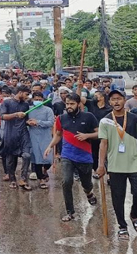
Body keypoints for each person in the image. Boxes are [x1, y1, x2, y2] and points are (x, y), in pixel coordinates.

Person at [97, 89, 137, 240]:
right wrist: (101, 165)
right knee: (118, 197)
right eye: (113, 99)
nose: (116, 102)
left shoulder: (135, 118)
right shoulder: (105, 121)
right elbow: (103, 144)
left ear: (124, 100)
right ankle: (122, 226)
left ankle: (134, 215)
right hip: (115, 165)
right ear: (109, 102)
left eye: (119, 99)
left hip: (135, 164)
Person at [43, 93, 99, 221]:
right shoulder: (61, 118)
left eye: (72, 104)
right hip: (67, 155)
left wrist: (87, 136)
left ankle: (89, 193)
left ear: (79, 104)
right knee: (67, 181)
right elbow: (58, 134)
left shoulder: (89, 117)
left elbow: (99, 132)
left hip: (85, 155)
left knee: (86, 183)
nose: (69, 106)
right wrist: (50, 147)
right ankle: (70, 212)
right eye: (67, 104)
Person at [0, 86, 33, 190]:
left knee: (27, 155)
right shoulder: (7, 103)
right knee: (10, 159)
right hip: (10, 133)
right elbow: (2, 116)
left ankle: (23, 179)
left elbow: (26, 119)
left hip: (23, 133)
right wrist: (15, 114)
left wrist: (31, 122)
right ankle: (12, 180)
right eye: (26, 94)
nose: (27, 97)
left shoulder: (26, 105)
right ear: (20, 92)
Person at [26, 91, 54, 189]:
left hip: (45, 137)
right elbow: (24, 120)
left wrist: (38, 122)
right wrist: (28, 122)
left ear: (43, 100)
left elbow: (51, 122)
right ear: (32, 100)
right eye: (36, 100)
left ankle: (45, 170)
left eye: (40, 100)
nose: (38, 101)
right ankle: (41, 179)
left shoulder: (48, 110)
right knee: (37, 159)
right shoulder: (29, 110)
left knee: (49, 159)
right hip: (33, 136)